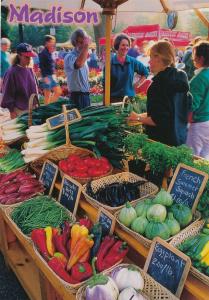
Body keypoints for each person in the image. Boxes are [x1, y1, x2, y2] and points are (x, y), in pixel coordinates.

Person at [128, 40, 191, 146]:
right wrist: (139, 115)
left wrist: (137, 118)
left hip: (162, 142)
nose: (149, 62)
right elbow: (172, 111)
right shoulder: (181, 76)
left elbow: (157, 120)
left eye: (151, 57)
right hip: (180, 139)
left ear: (159, 58)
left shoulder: (158, 85)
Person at [104, 33, 148, 103]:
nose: (125, 48)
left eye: (127, 45)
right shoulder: (110, 63)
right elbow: (105, 85)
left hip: (129, 99)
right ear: (117, 46)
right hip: (113, 100)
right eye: (123, 45)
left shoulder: (132, 61)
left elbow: (145, 72)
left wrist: (137, 84)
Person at [1, 43, 38, 118]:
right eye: (26, 57)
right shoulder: (12, 72)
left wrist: (36, 103)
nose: (29, 59)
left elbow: (34, 88)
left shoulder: (29, 69)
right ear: (19, 55)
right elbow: (8, 92)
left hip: (32, 107)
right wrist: (11, 110)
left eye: (30, 57)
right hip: (19, 109)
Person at [186, 41, 209, 159]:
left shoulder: (199, 78)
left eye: (194, 56)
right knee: (205, 158)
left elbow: (192, 105)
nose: (192, 58)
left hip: (198, 124)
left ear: (201, 58)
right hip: (207, 122)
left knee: (191, 159)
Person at [64, 28, 91, 109]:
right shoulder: (69, 56)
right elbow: (78, 64)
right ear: (75, 42)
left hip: (85, 96)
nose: (83, 44)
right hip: (77, 96)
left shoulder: (83, 57)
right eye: (81, 42)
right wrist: (86, 46)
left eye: (85, 42)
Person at [39, 35, 62, 104]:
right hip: (48, 76)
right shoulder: (43, 53)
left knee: (47, 96)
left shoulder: (47, 52)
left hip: (50, 75)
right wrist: (45, 77)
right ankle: (48, 107)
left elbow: (49, 64)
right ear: (47, 42)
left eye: (54, 42)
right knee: (57, 92)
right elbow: (41, 66)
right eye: (52, 42)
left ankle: (47, 109)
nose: (53, 44)